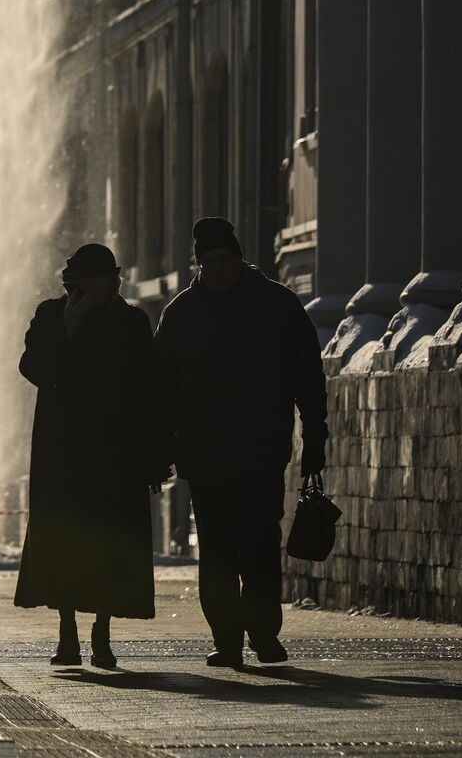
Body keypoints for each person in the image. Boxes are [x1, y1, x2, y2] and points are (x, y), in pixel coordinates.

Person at [156, 217, 328, 668]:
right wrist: (160, 449)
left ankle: (264, 634)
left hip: (261, 451)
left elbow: (309, 378)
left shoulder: (277, 305)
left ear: (239, 258)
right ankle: (227, 638)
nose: (217, 268)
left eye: (224, 259)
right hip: (206, 456)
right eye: (208, 261)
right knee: (216, 550)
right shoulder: (181, 314)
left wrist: (315, 438)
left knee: (258, 547)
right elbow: (161, 389)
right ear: (199, 264)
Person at [14, 243, 166, 669]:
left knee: (109, 543)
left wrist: (155, 455)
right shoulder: (50, 315)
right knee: (64, 541)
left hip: (116, 453)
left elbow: (150, 390)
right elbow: (34, 370)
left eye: (104, 278)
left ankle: (101, 634)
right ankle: (67, 634)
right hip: (61, 452)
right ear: (74, 282)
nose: (97, 286)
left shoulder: (132, 321)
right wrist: (66, 328)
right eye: (88, 278)